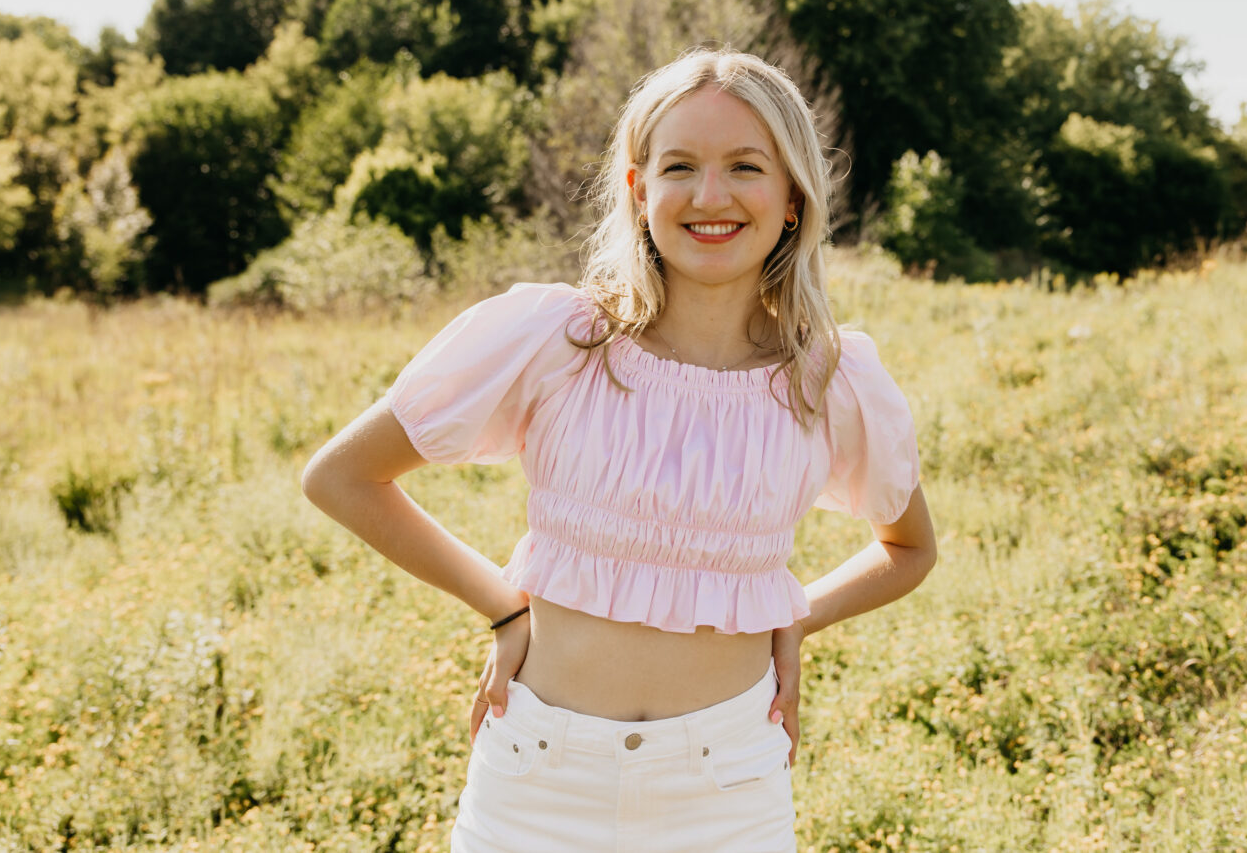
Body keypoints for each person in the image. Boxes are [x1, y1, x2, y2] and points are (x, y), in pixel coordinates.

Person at [301, 48, 936, 852]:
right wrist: (503, 605)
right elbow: (342, 476)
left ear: (792, 199)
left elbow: (909, 547)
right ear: (640, 192)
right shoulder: (557, 338)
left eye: (746, 165)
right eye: (680, 166)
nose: (711, 196)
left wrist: (794, 617)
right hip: (537, 783)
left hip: (727, 788)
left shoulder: (830, 379)